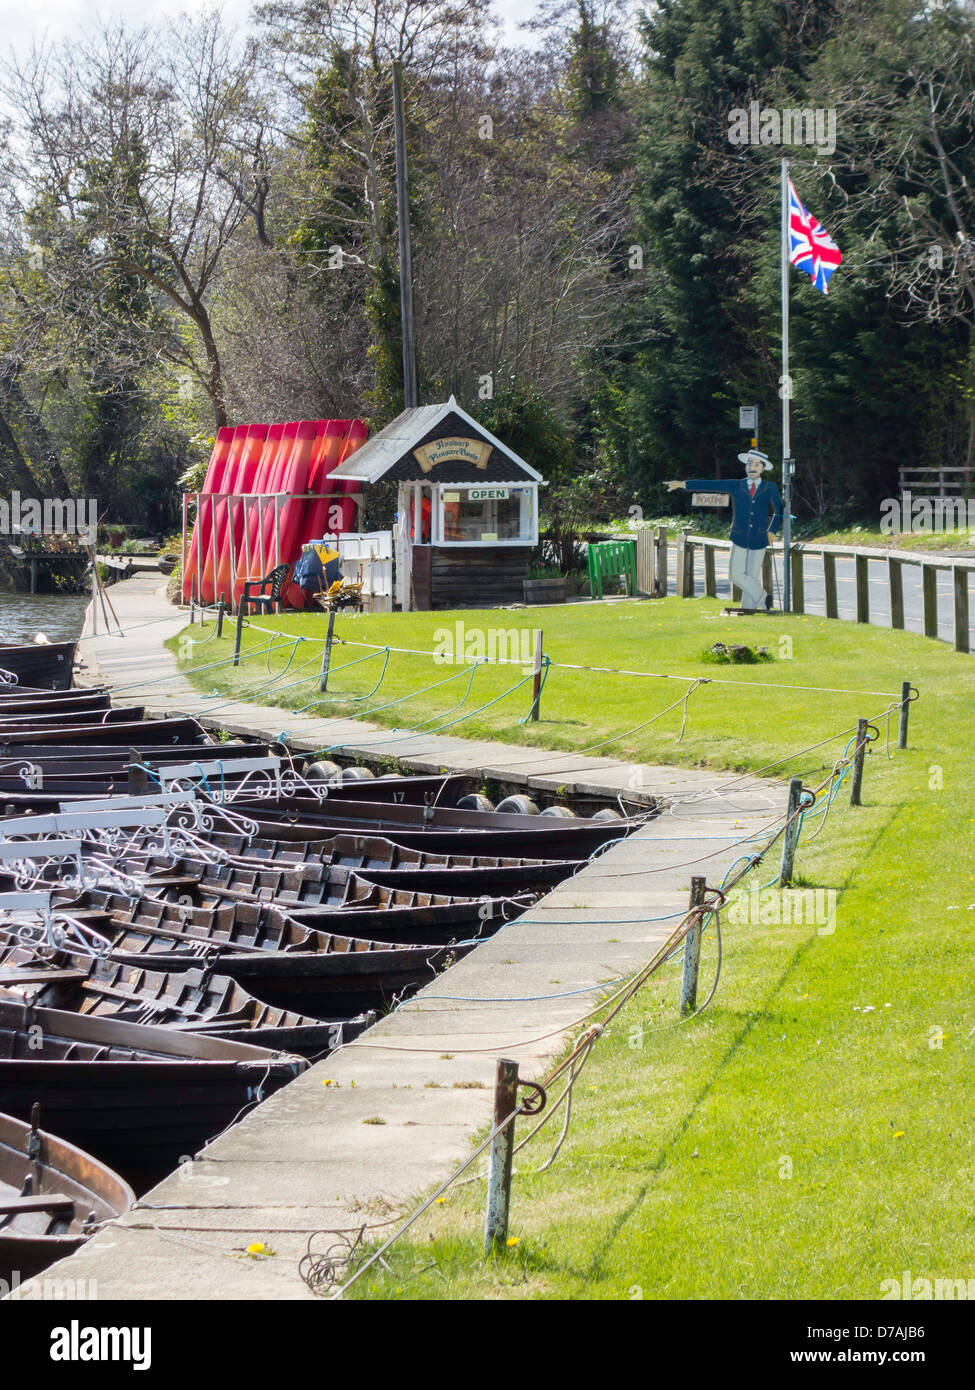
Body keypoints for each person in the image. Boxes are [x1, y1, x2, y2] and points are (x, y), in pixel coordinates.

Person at [665, 449, 783, 611]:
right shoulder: (737, 485)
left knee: (752, 575)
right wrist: (683, 484)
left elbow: (779, 510)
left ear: (762, 468)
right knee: (735, 575)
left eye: (756, 464)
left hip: (760, 537)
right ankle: (763, 597)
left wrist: (773, 530)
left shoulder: (770, 487)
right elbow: (712, 484)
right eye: (749, 463)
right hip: (739, 536)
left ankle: (749, 608)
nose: (752, 467)